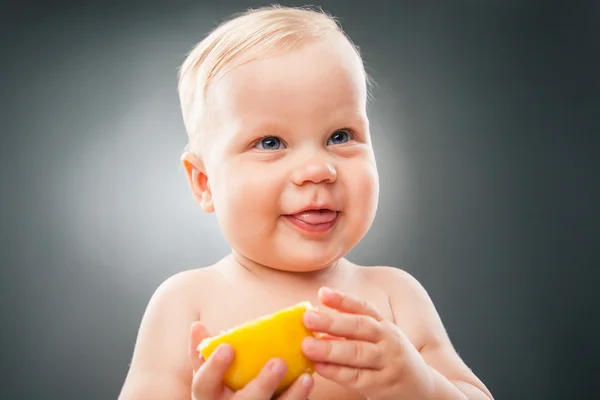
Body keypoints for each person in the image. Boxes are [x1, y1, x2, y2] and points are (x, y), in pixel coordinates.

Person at [119, 5, 494, 400]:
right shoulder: (185, 304)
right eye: (270, 143)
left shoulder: (395, 297)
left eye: (340, 136)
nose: (318, 169)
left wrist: (421, 387)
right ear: (204, 182)